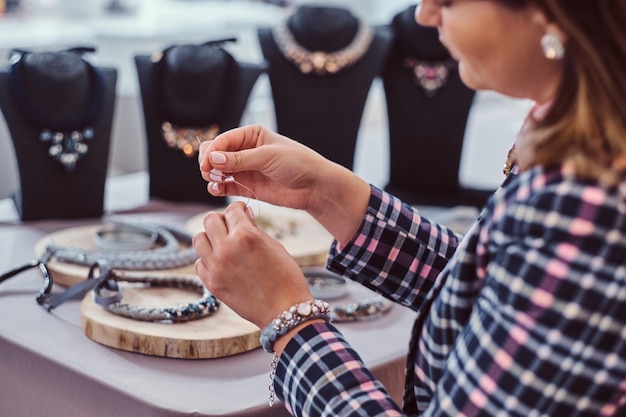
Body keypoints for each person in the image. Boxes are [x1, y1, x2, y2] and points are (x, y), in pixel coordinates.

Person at [192, 0, 626, 416]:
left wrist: (288, 319)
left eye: (449, 1)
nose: (424, 13)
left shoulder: (586, 208)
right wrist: (329, 193)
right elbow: (499, 294)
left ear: (551, 13)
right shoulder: (581, 132)